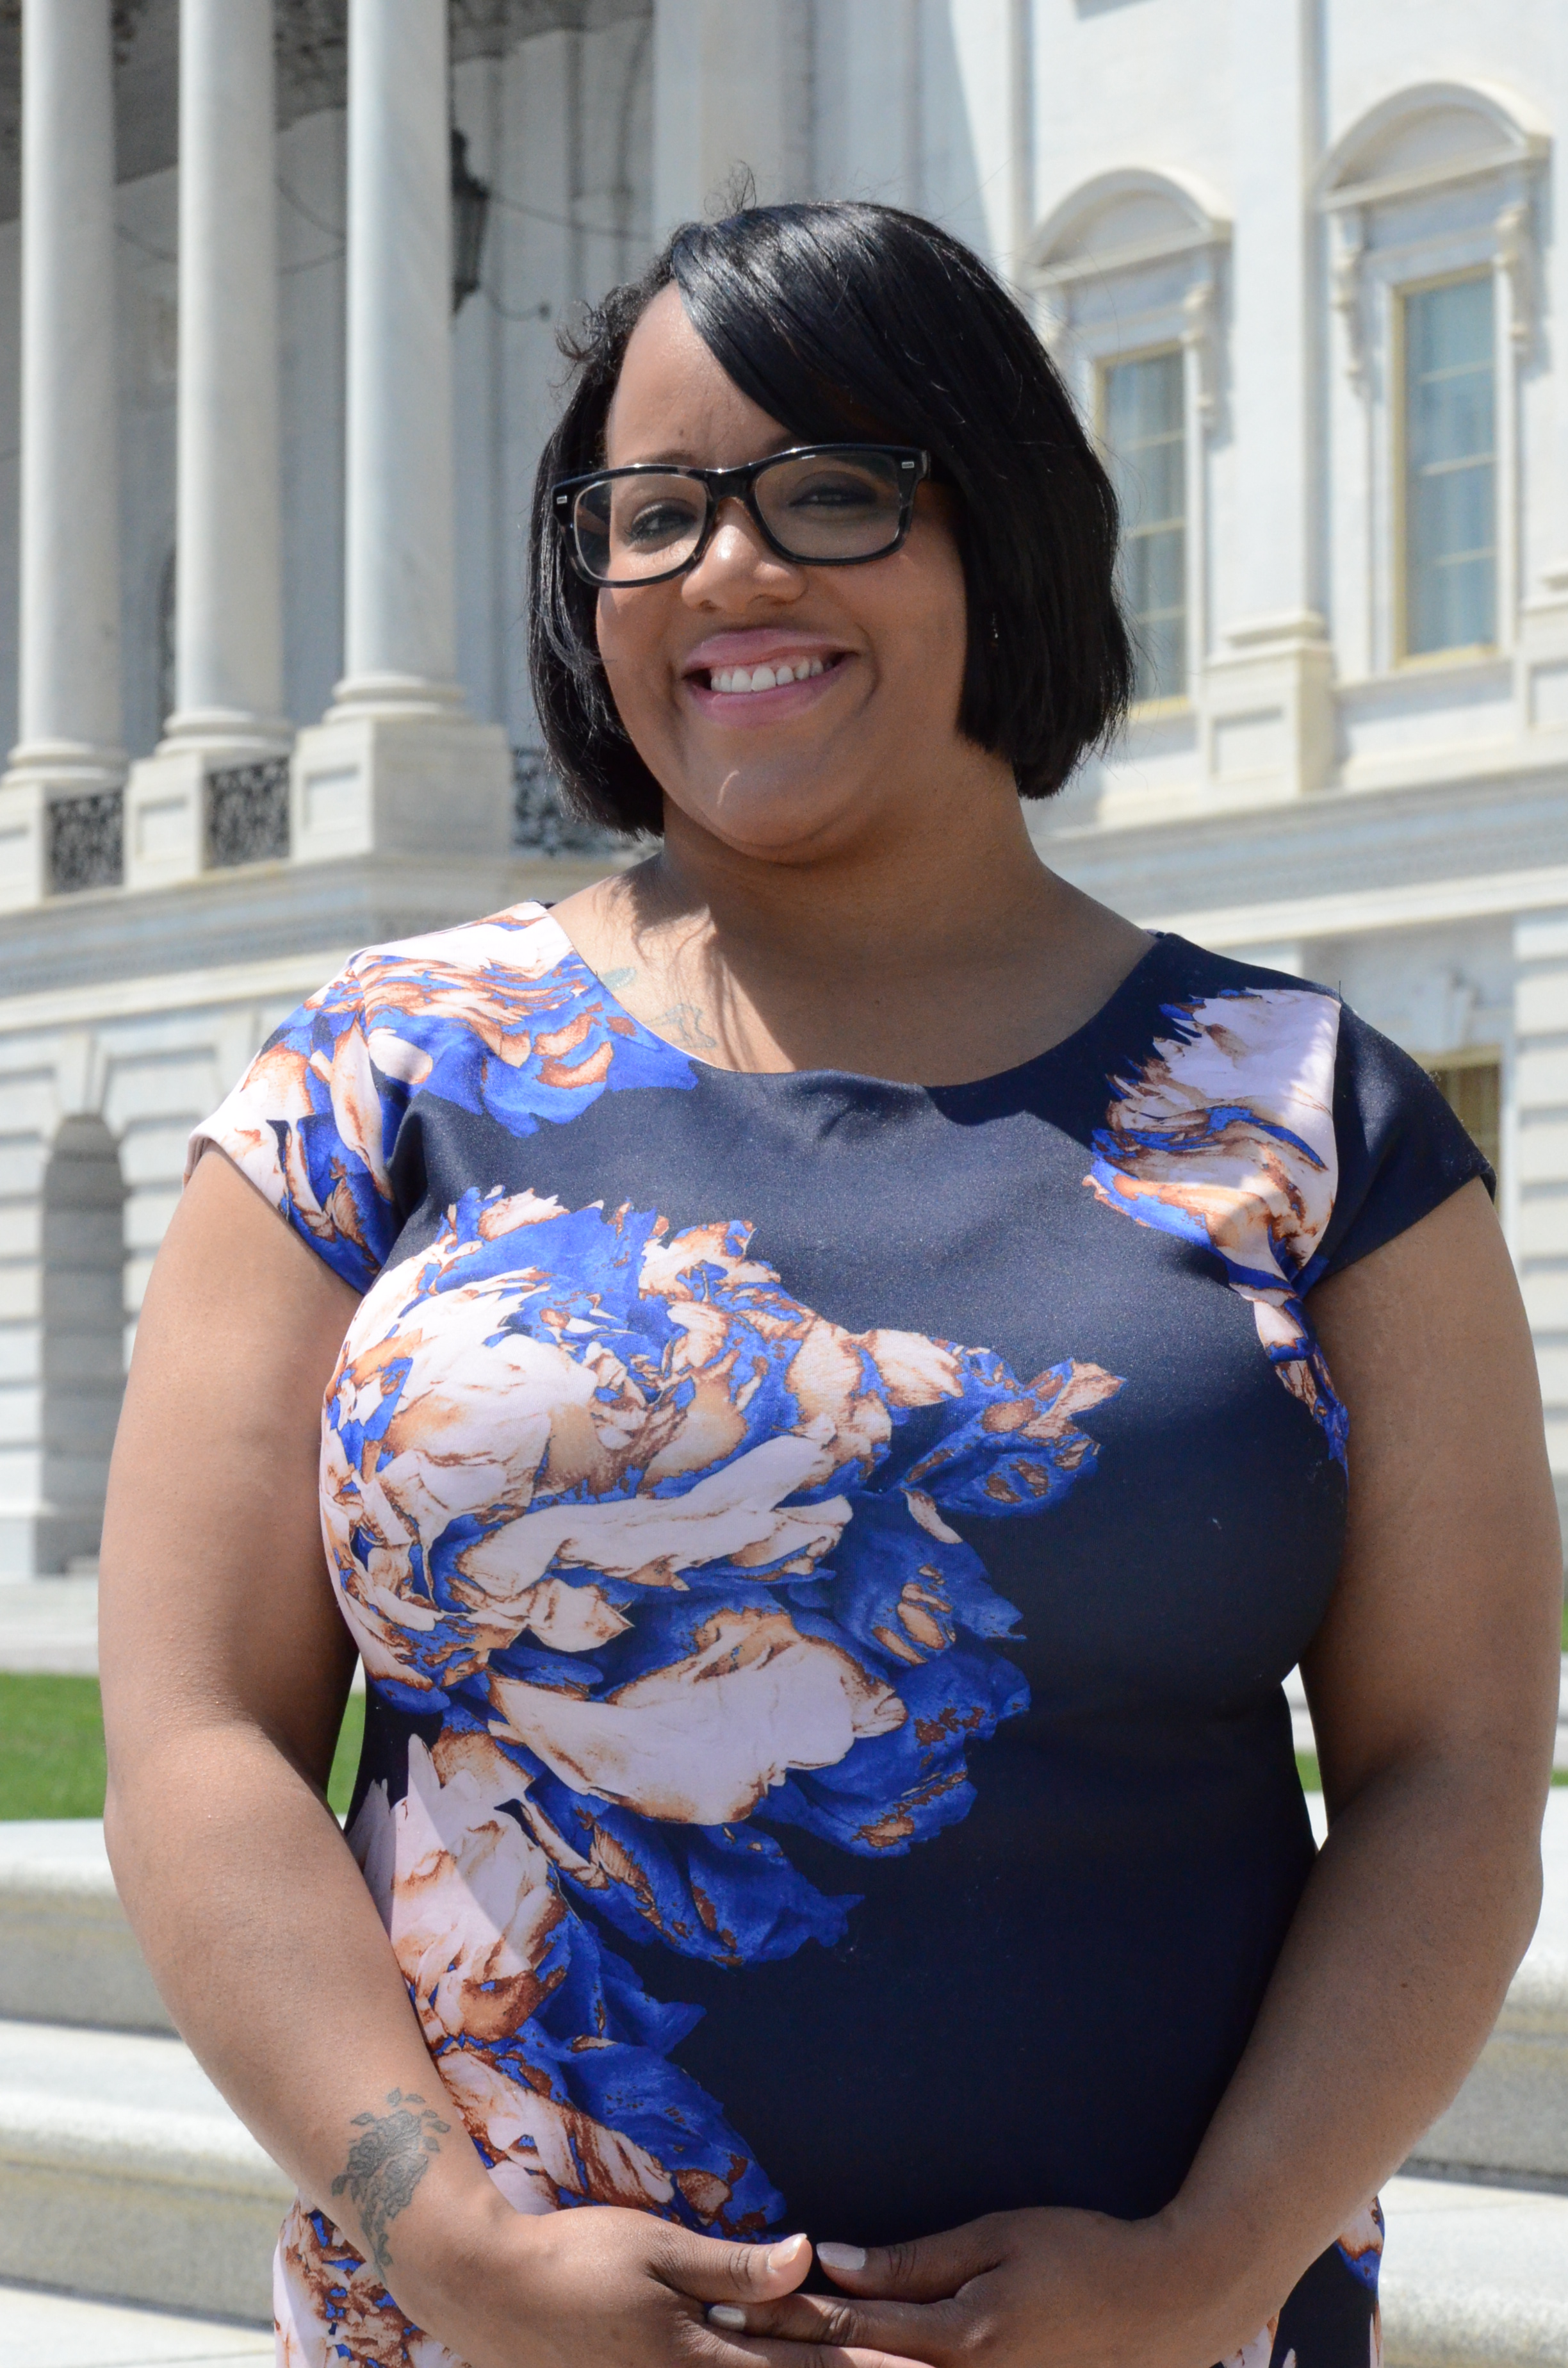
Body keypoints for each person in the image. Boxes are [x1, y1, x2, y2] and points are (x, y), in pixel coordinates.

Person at [99, 201, 1562, 2368]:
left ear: (1007, 534)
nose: (727, 568)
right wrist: (453, 2242)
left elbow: (1452, 1776)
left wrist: (1209, 2265)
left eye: (831, 492)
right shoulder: (375, 1081)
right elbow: (195, 1736)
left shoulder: (1312, 1124)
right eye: (653, 513)